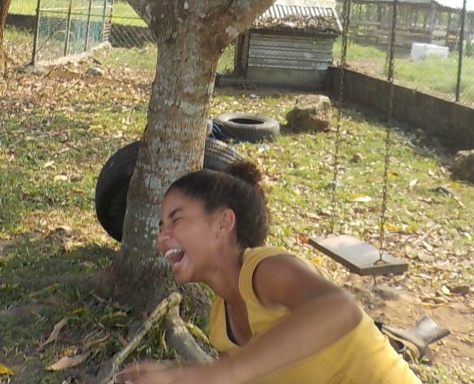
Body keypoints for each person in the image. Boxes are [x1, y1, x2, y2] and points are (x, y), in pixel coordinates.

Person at [118, 161, 423, 384]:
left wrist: (217, 373)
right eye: (161, 227)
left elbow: (341, 308)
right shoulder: (220, 323)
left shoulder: (265, 269)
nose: (162, 237)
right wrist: (178, 376)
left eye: (175, 220)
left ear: (223, 223)